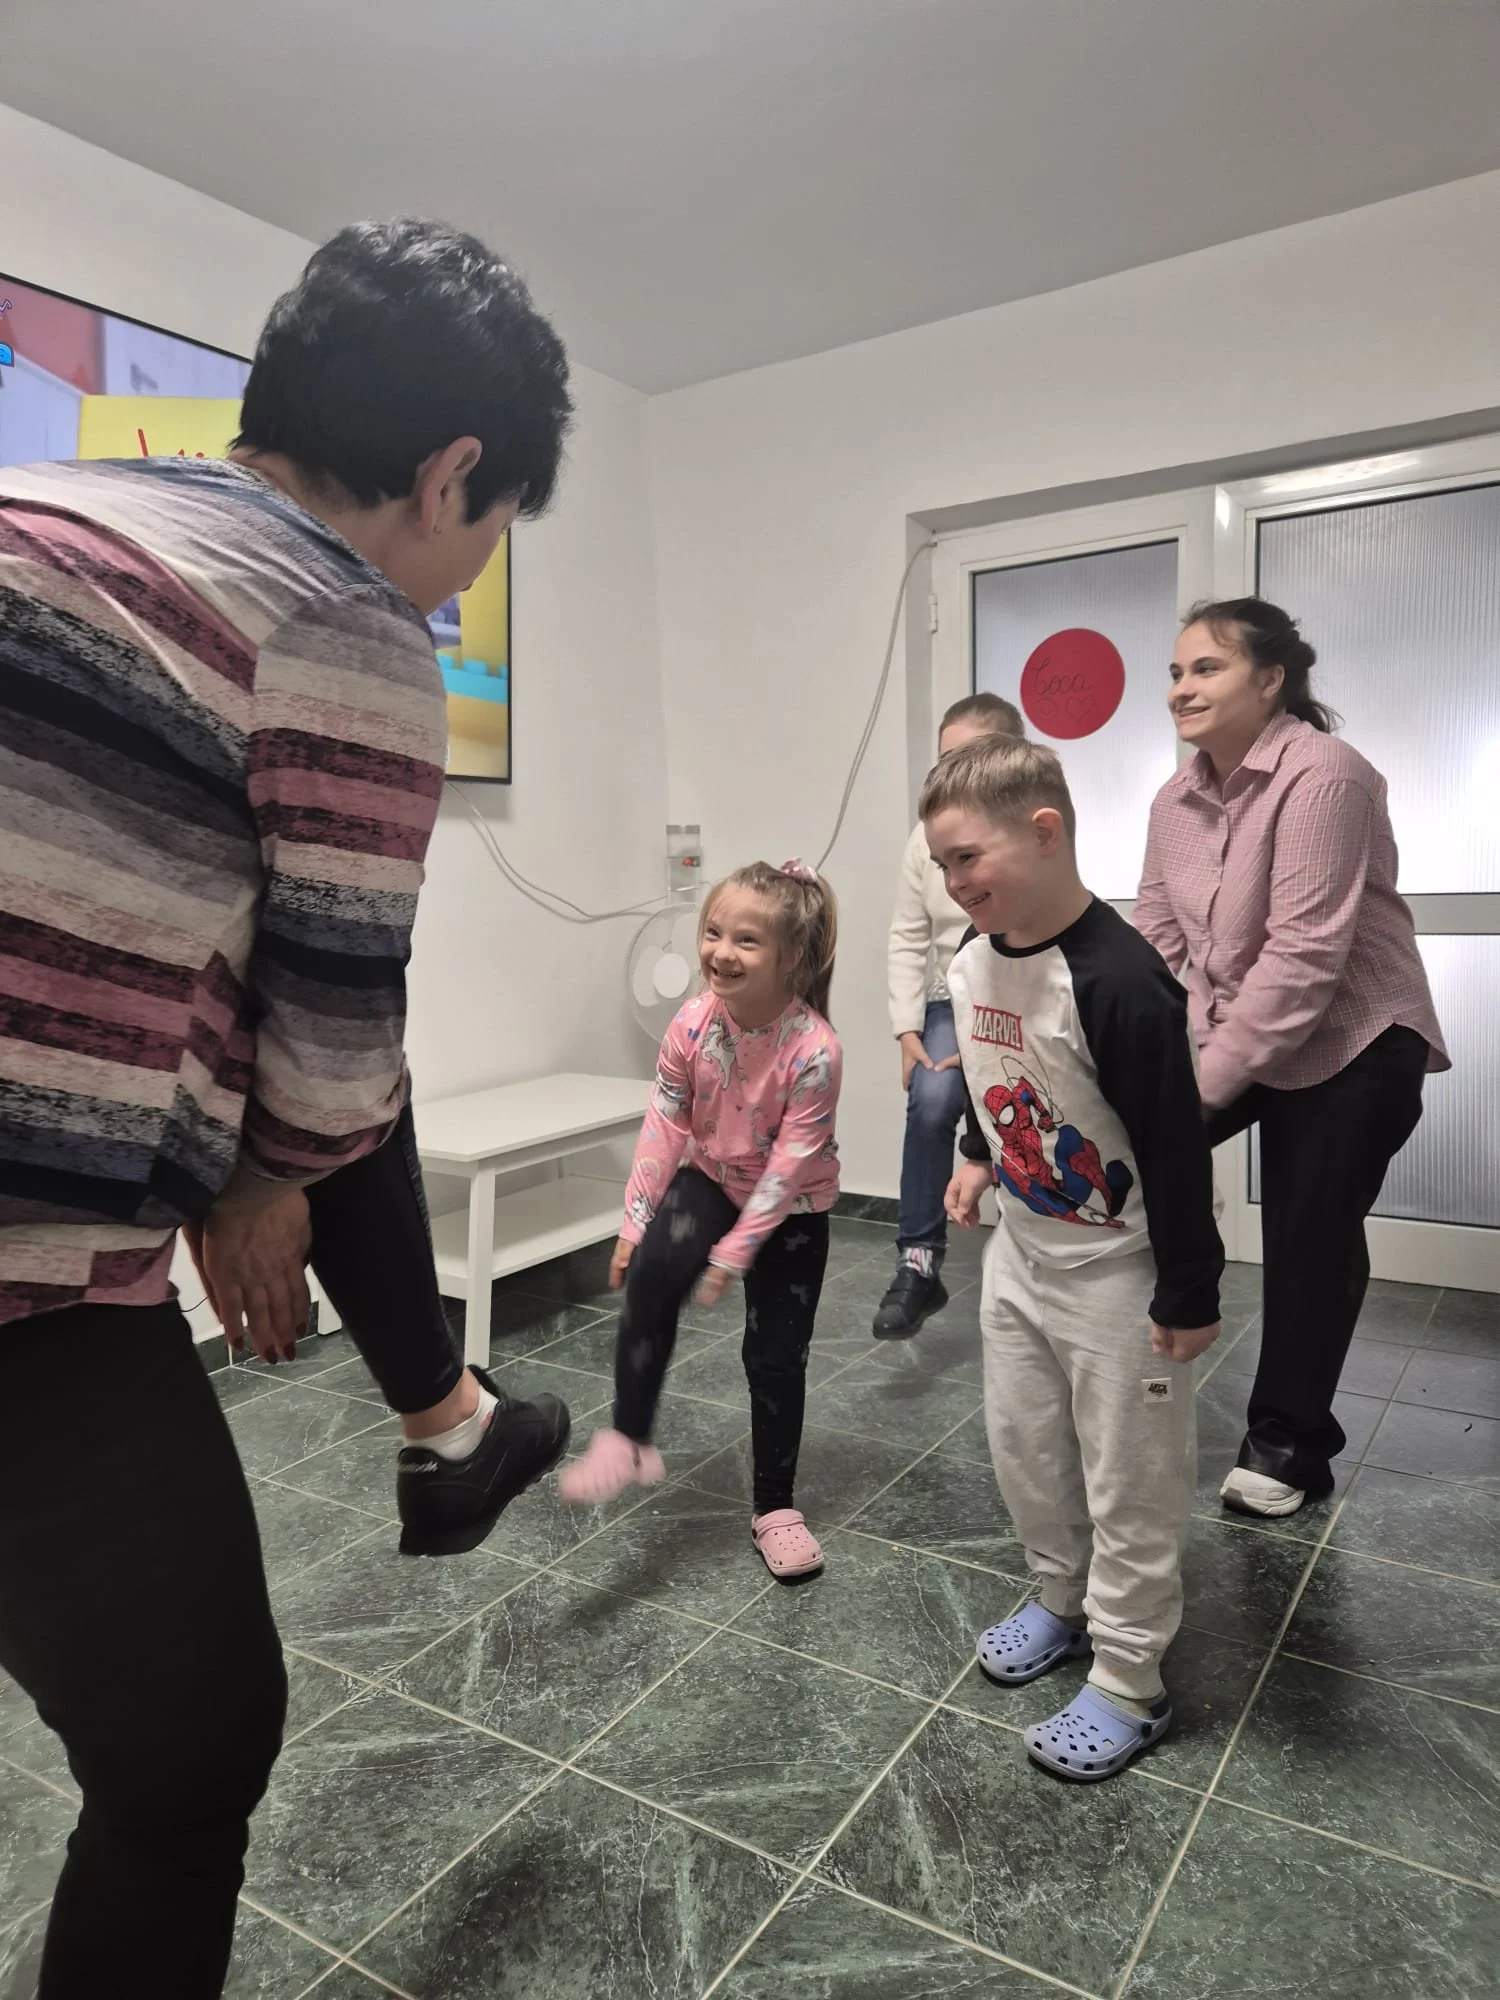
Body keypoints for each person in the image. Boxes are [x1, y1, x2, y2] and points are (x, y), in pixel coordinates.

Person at [0, 219, 573, 1998]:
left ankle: (453, 1419)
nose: (462, 581)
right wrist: (264, 1180)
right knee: (188, 1762)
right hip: (28, 1290)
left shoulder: (44, 503)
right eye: (489, 534)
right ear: (451, 472)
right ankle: (452, 1418)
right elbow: (334, 1038)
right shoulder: (345, 619)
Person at [928, 737, 1223, 1781]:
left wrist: (1190, 1288)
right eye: (943, 866)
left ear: (1044, 831)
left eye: (968, 858)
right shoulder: (973, 958)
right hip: (1023, 1256)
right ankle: (1061, 1595)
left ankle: (1132, 1675)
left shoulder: (1122, 982)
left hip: (1122, 1274)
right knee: (1026, 1445)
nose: (955, 884)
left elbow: (1176, 1149)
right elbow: (991, 1073)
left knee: (1130, 1479)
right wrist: (976, 1158)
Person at [1133, 598, 1448, 1519]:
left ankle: (1288, 1444)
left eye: (1207, 668)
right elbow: (1154, 940)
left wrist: (1195, 1090)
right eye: (1176, 672)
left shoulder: (1326, 776)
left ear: (1271, 680)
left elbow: (1305, 958)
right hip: (1243, 1026)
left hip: (1356, 1038)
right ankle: (1121, 1375)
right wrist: (1120, 1055)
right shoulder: (1173, 800)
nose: (1182, 688)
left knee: (1309, 1235)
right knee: (1125, 1158)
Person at [561, 861, 841, 1581]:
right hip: (713, 1177)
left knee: (775, 1357)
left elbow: (787, 1170)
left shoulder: (814, 1051)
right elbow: (664, 1122)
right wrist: (635, 1223)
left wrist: (735, 1252)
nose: (721, 951)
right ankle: (628, 1440)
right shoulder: (690, 1022)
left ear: (792, 957)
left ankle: (775, 1507)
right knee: (650, 1276)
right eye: (713, 932)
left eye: (747, 940)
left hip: (793, 1205)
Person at [875, 691, 1024, 1337]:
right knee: (933, 1101)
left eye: (969, 757)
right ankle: (918, 1262)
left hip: (1013, 990)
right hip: (946, 997)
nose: (952, 774)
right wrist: (906, 1030)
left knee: (1018, 1108)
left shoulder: (1028, 828)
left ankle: (1027, 1244)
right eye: (944, 761)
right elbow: (908, 935)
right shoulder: (925, 838)